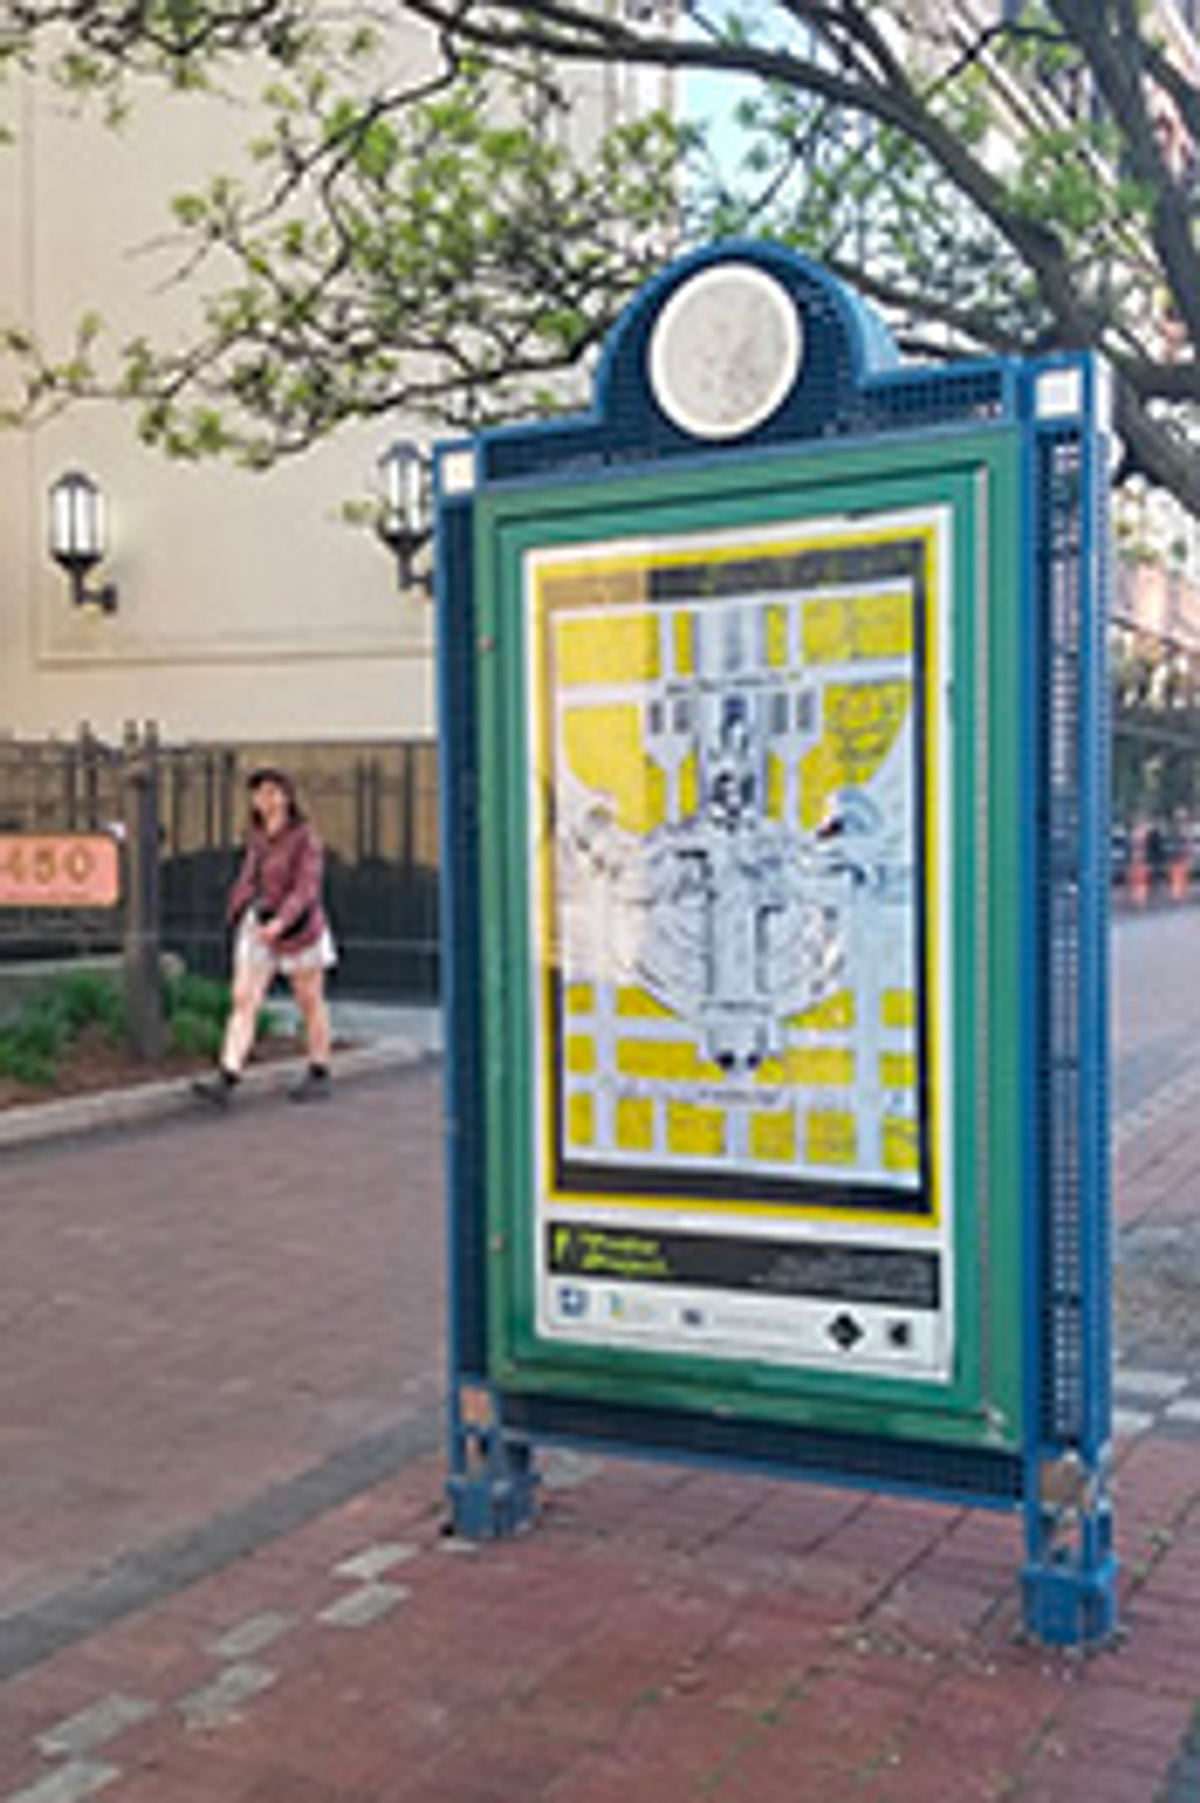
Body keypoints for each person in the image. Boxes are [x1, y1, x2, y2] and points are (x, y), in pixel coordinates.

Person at [193, 767, 336, 1107]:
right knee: (244, 999)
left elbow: (307, 887)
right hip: (259, 924)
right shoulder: (256, 837)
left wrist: (283, 921)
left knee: (309, 1001)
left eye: (272, 792)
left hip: (299, 930)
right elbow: (248, 877)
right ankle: (228, 1075)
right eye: (259, 793)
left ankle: (319, 1069)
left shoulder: (304, 838)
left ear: (287, 798)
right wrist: (239, 908)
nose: (265, 800)